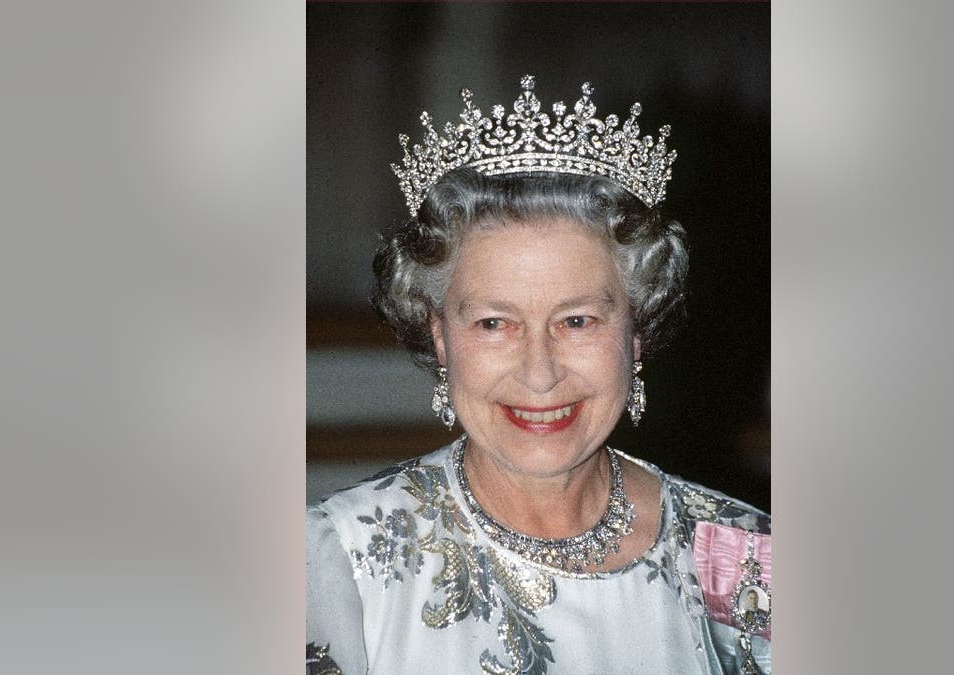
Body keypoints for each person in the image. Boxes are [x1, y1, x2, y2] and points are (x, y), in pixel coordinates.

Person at [306, 76, 771, 675]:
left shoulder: (744, 556)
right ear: (441, 336)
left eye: (576, 321)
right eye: (495, 323)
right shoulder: (337, 560)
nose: (540, 374)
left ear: (636, 331)